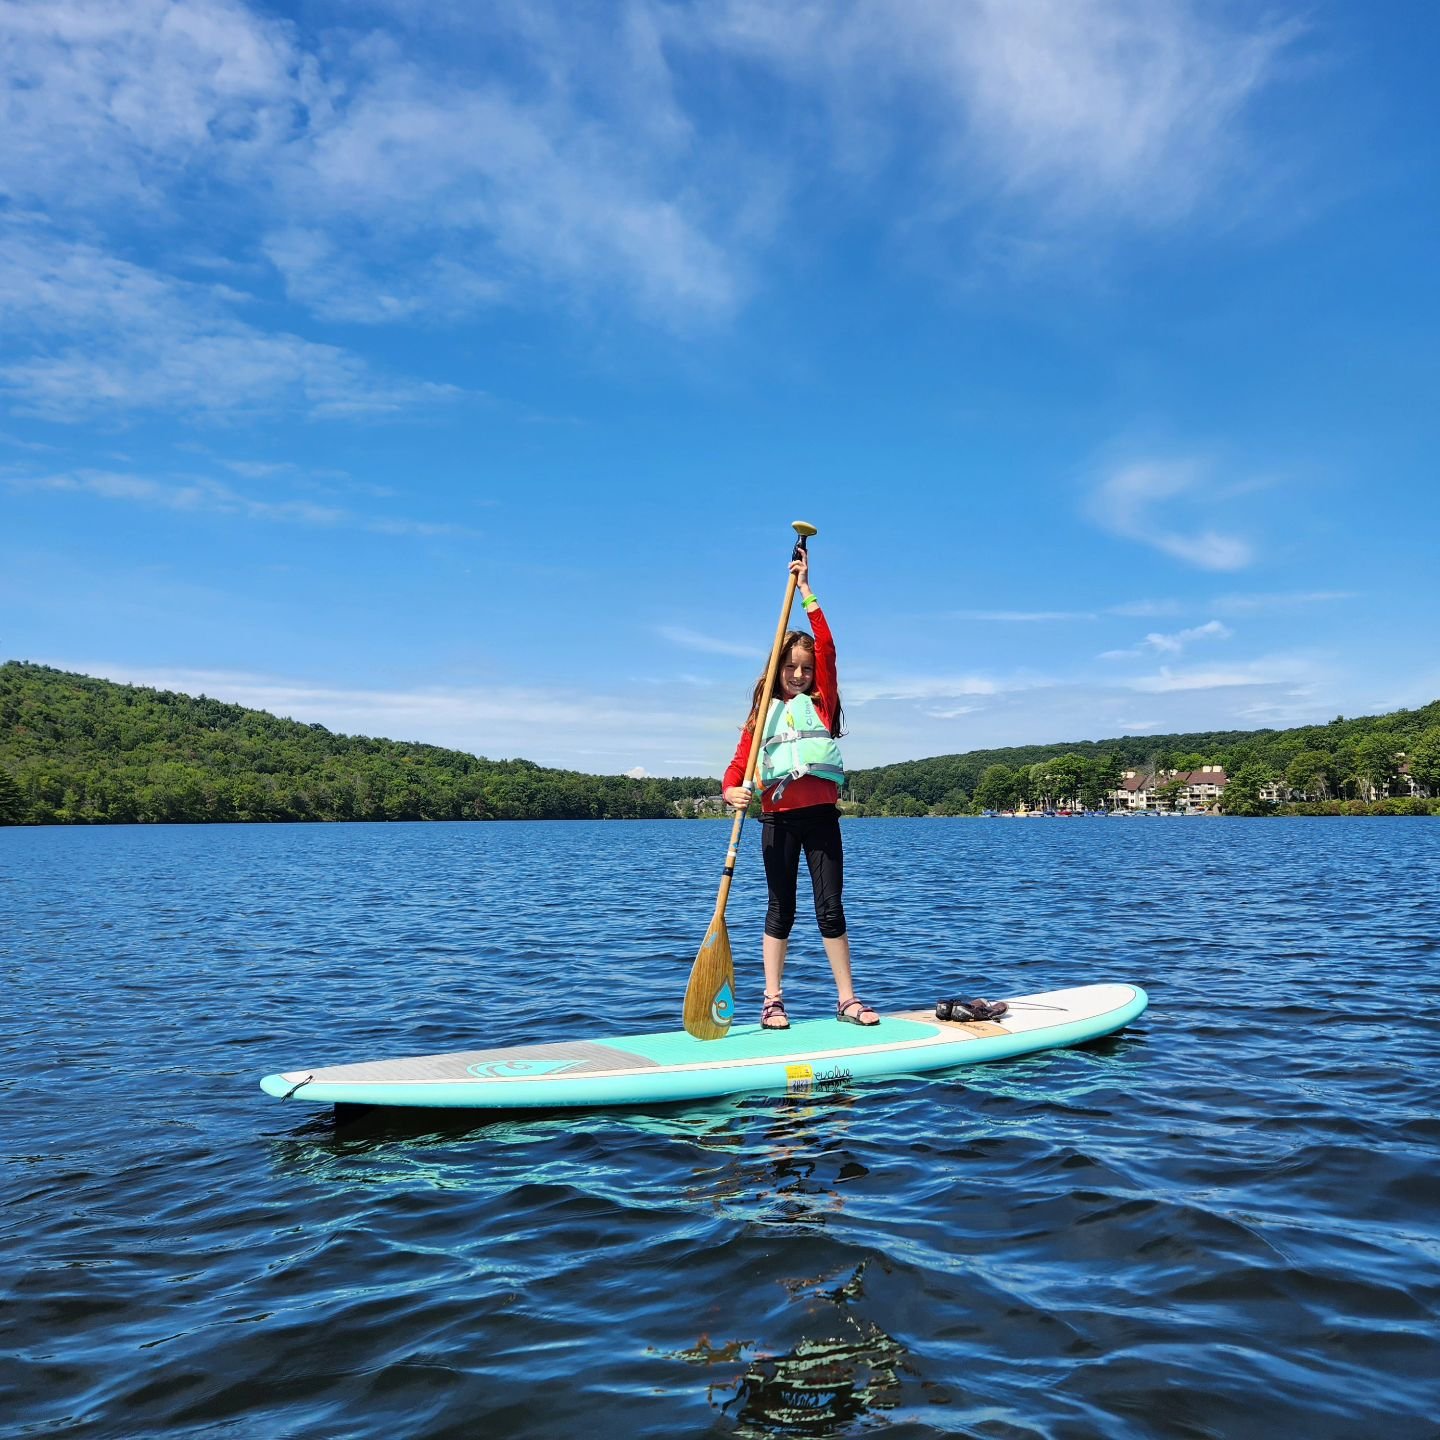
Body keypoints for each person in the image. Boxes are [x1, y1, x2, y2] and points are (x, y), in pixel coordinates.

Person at [722, 553, 878, 1031]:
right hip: (777, 822)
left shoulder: (823, 706)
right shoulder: (761, 716)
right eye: (789, 667)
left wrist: (807, 591)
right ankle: (772, 1001)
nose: (798, 674)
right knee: (780, 908)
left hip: (821, 820)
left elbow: (828, 647)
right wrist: (731, 793)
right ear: (777, 669)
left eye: (805, 669)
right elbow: (734, 769)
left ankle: (847, 999)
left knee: (830, 907)